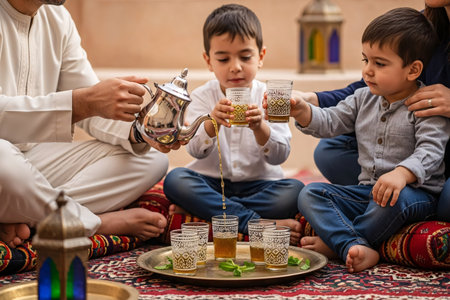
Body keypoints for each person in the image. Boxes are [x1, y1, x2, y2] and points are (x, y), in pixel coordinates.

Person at [0, 0, 183, 249]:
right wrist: (81, 103)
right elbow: (83, 101)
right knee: (5, 165)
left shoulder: (57, 18)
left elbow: (91, 104)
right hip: (5, 165)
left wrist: (140, 133)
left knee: (149, 159)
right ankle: (93, 223)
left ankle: (23, 216)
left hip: (30, 160)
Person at [286, 7, 450, 272]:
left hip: (414, 195)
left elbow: (430, 152)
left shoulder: (426, 104)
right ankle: (352, 243)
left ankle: (338, 243)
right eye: (365, 60)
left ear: (413, 70)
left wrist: (401, 173)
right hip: (369, 191)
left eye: (380, 64)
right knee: (311, 193)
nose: (368, 71)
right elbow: (331, 121)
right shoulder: (364, 98)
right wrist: (303, 111)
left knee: (389, 205)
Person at [163, 4, 304, 243]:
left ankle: (210, 211)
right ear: (209, 61)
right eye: (223, 58)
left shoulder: (271, 97)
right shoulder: (200, 97)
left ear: (260, 57)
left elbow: (280, 156)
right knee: (175, 180)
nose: (235, 66)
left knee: (296, 191)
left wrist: (260, 128)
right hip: (212, 183)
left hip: (260, 186)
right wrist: (210, 124)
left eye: (245, 57)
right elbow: (194, 149)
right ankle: (255, 222)